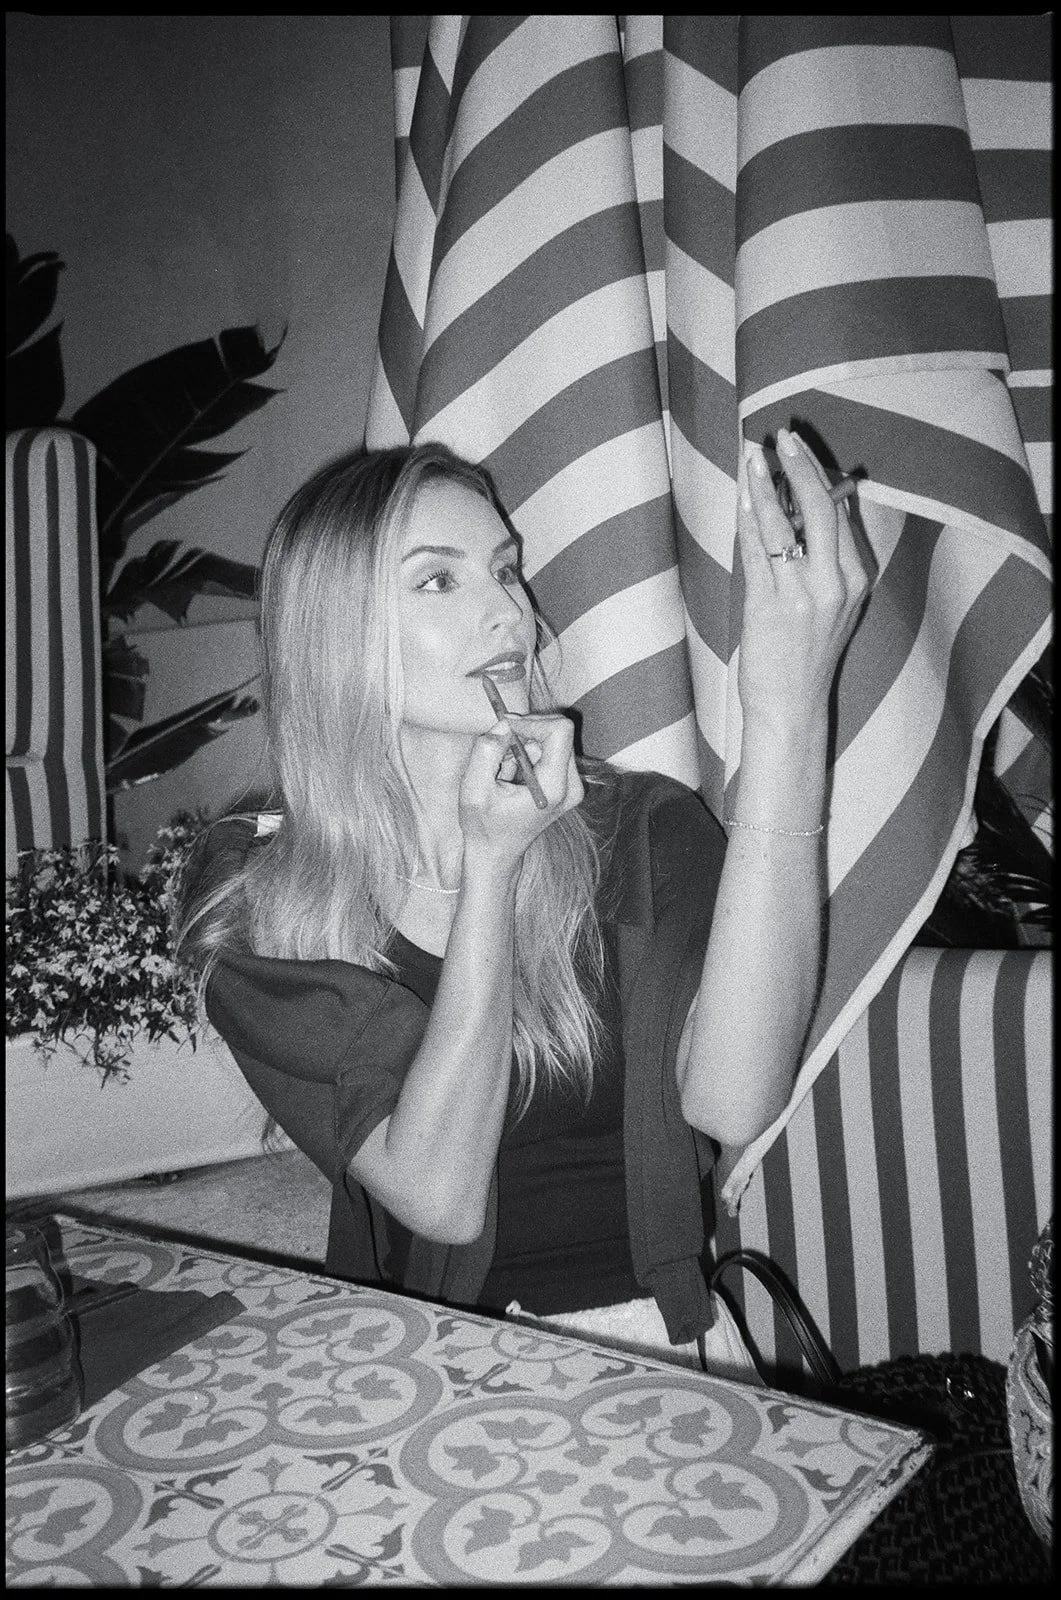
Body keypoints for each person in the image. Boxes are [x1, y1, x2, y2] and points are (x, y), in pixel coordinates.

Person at [174, 428, 869, 1381]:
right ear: (333, 632)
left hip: (651, 1347)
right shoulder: (257, 899)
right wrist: (491, 871)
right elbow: (438, 1196)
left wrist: (788, 716)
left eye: (506, 570)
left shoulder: (640, 831)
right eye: (438, 580)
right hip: (415, 1355)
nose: (510, 611)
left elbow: (732, 1099)